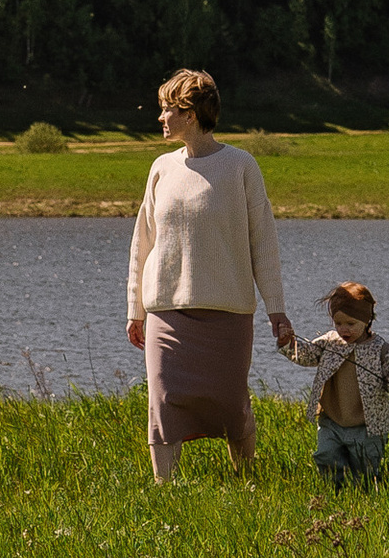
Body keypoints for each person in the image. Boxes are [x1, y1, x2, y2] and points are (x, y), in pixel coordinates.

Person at [125, 67, 295, 483]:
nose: (161, 118)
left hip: (228, 312)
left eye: (168, 109)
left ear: (193, 113)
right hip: (167, 310)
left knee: (231, 404)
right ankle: (165, 490)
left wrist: (277, 310)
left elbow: (264, 243)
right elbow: (142, 242)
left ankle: (247, 480)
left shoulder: (241, 166)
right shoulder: (161, 168)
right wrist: (135, 309)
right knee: (164, 400)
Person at [280, 278, 389, 485]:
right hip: (332, 419)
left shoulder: (380, 348)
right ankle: (334, 490)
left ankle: (364, 493)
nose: (344, 330)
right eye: (338, 323)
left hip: (367, 424)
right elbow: (307, 355)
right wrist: (288, 343)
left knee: (365, 465)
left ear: (367, 320)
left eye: (351, 324)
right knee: (325, 456)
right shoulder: (330, 341)